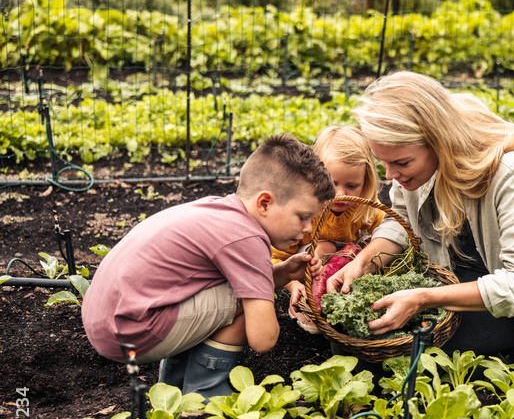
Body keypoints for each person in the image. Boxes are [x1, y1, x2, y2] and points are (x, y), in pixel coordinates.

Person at [328, 71, 514, 358]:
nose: (390, 176)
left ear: (438, 142)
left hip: (513, 297)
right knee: (354, 333)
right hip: (455, 269)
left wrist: (423, 298)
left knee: (422, 350)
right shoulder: (417, 161)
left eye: (402, 162)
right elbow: (400, 220)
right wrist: (364, 262)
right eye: (383, 163)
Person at [82, 134, 333, 398]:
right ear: (264, 203)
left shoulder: (219, 211)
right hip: (130, 333)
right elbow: (264, 339)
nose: (307, 230)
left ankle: (174, 386)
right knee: (244, 303)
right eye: (303, 217)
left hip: (107, 319)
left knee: (232, 290)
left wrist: (283, 273)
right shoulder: (249, 238)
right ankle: (205, 393)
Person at [271, 126, 384, 334]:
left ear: (365, 182)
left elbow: (386, 234)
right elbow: (275, 258)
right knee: (323, 248)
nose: (340, 194)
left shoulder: (365, 206)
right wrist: (292, 284)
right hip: (308, 261)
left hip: (345, 259)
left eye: (352, 186)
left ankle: (339, 300)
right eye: (332, 183)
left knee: (367, 249)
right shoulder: (304, 213)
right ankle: (308, 301)